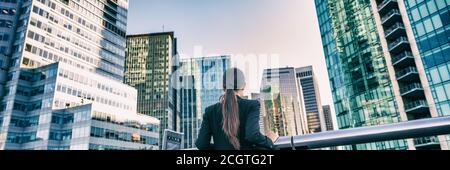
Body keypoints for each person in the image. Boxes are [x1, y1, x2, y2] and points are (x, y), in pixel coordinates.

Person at [195, 68, 279, 150]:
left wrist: (219, 146)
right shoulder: (252, 105)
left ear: (223, 86)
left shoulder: (210, 111)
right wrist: (269, 141)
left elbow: (201, 144)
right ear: (243, 86)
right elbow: (252, 135)